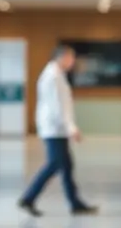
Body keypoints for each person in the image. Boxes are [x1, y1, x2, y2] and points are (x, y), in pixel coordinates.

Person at [18, 44, 98, 217]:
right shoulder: (53, 76)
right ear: (61, 57)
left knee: (67, 165)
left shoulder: (57, 75)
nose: (73, 61)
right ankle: (28, 198)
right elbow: (57, 107)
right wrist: (71, 128)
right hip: (54, 128)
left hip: (57, 128)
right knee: (54, 164)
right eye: (71, 57)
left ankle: (75, 203)